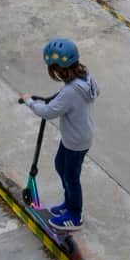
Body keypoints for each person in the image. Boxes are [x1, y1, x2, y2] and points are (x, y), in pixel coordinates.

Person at [19, 37, 98, 232]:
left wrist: (30, 102)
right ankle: (68, 203)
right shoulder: (84, 76)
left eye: (53, 70)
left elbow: (48, 112)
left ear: (59, 69)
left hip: (76, 141)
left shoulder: (71, 91)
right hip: (76, 136)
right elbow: (72, 95)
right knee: (60, 165)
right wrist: (56, 98)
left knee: (71, 177)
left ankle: (74, 215)